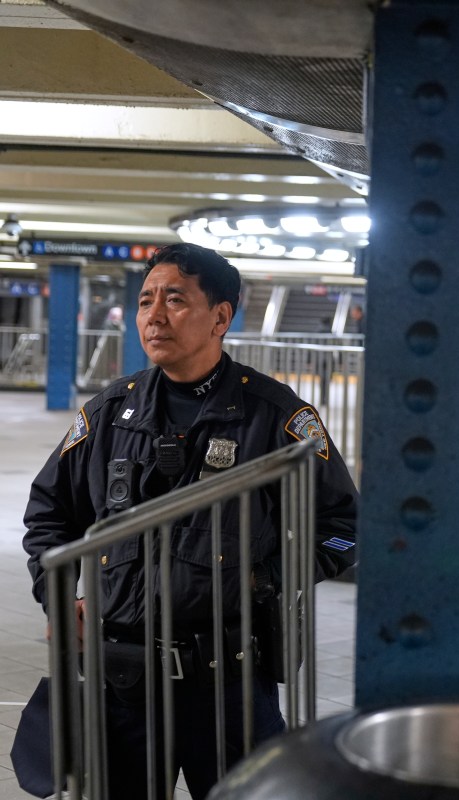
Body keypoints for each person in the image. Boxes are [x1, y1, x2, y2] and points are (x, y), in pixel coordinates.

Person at [22, 243, 358, 799]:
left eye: (175, 300)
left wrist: (267, 578)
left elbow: (344, 527)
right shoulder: (109, 413)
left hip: (229, 685)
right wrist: (58, 594)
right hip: (122, 684)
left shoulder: (277, 417)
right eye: (146, 301)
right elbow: (48, 514)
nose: (154, 316)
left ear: (220, 317)